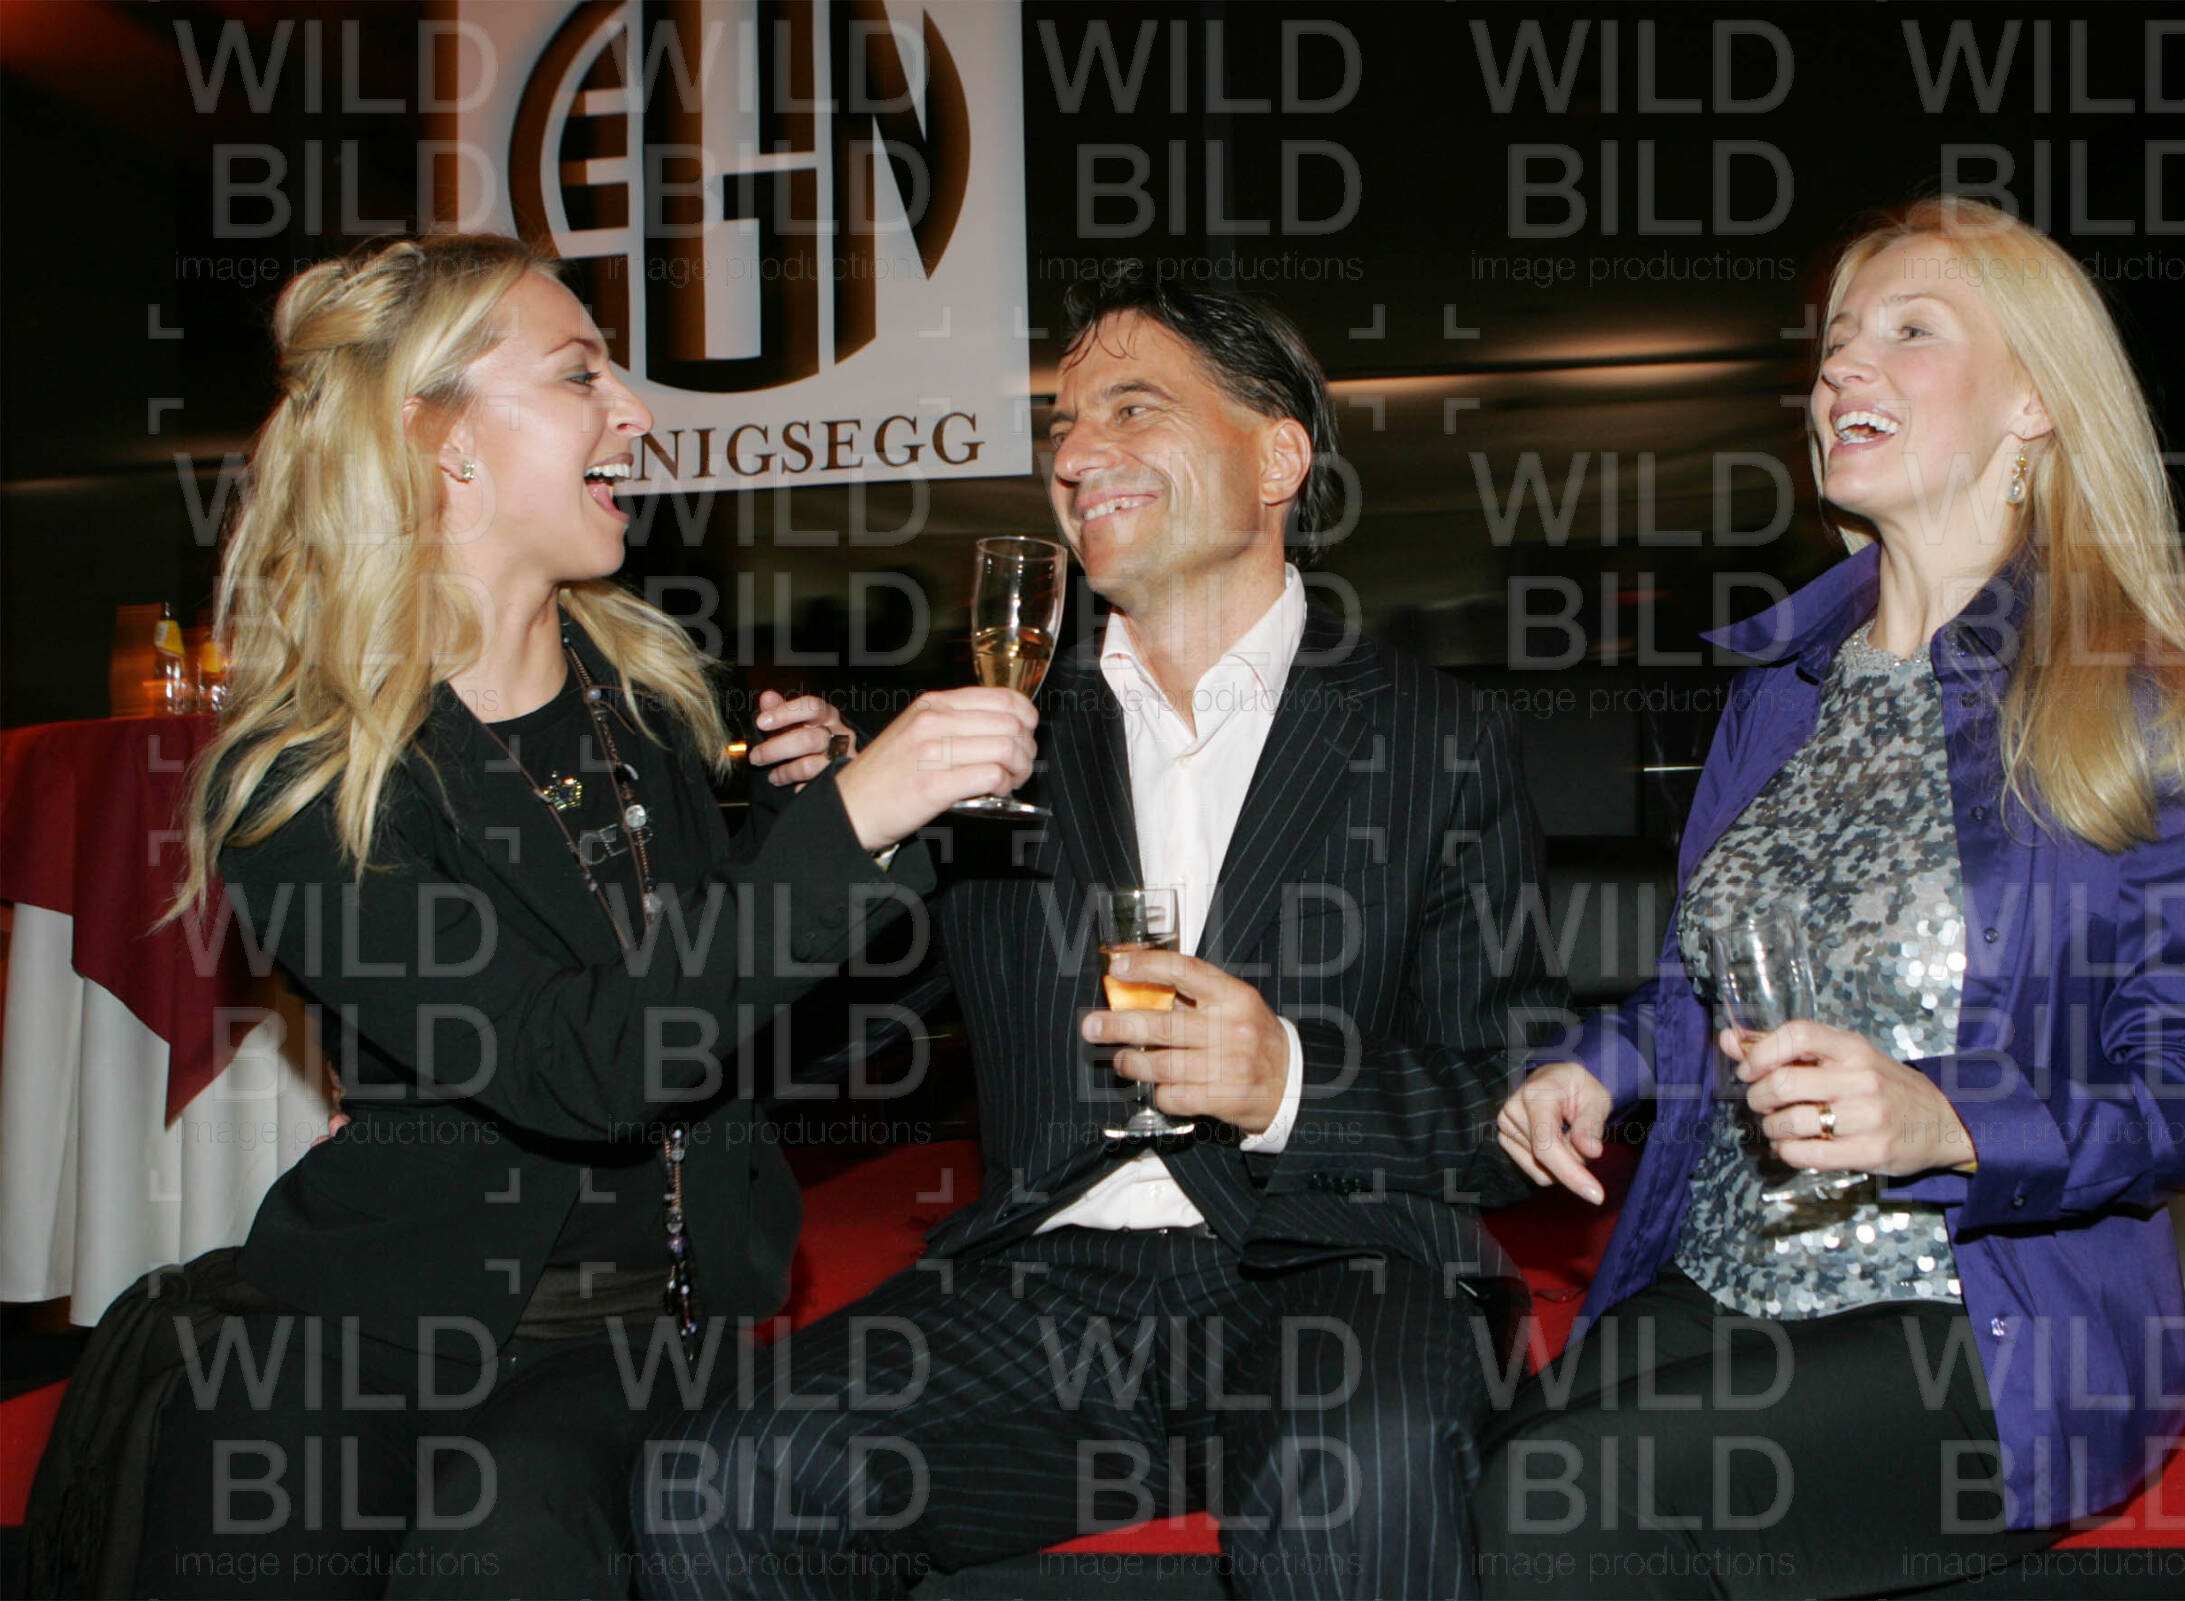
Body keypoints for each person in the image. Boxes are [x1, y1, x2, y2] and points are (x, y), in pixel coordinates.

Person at [637, 266, 1566, 1598]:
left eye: (1134, 410)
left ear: (1277, 458)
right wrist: (849, 828)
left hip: (1336, 1266)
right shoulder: (991, 736)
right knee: (718, 1482)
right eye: (1063, 428)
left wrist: (1288, 1083)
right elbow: (829, 1028)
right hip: (1043, 1285)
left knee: (1354, 1474)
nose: (1076, 458)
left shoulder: (1438, 738)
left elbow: (1514, 1104)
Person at [133, 234, 1037, 1599]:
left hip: (630, 1334)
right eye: (580, 375)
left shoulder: (659, 711)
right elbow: (576, 1061)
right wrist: (838, 835)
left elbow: (750, 1034)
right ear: (442, 440)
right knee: (243, 1536)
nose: (637, 413)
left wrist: (867, 844)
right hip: (366, 1312)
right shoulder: (301, 777)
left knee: (499, 1549)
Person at [1474, 196, 2185, 1599]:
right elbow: (1704, 993)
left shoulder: (2138, 713)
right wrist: (1596, 1065)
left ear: (2035, 403)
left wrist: (1948, 1120)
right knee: (1480, 1477)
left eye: (1912, 331)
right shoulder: (1781, 694)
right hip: (1727, 1268)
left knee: (1563, 1506)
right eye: (1838, 340)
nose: (1844, 365)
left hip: (1988, 1319)